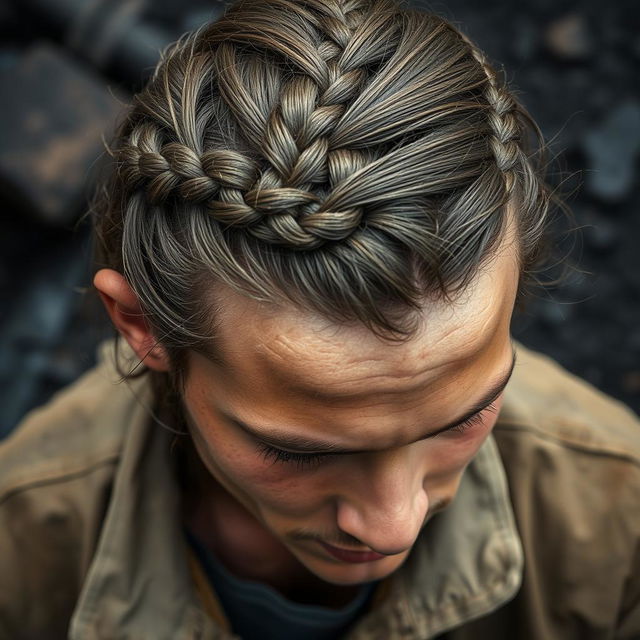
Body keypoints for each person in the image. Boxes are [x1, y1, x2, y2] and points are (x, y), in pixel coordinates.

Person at [1, 0, 639, 637]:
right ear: (144, 327)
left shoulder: (621, 529)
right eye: (298, 453)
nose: (393, 524)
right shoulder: (20, 557)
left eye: (465, 417)